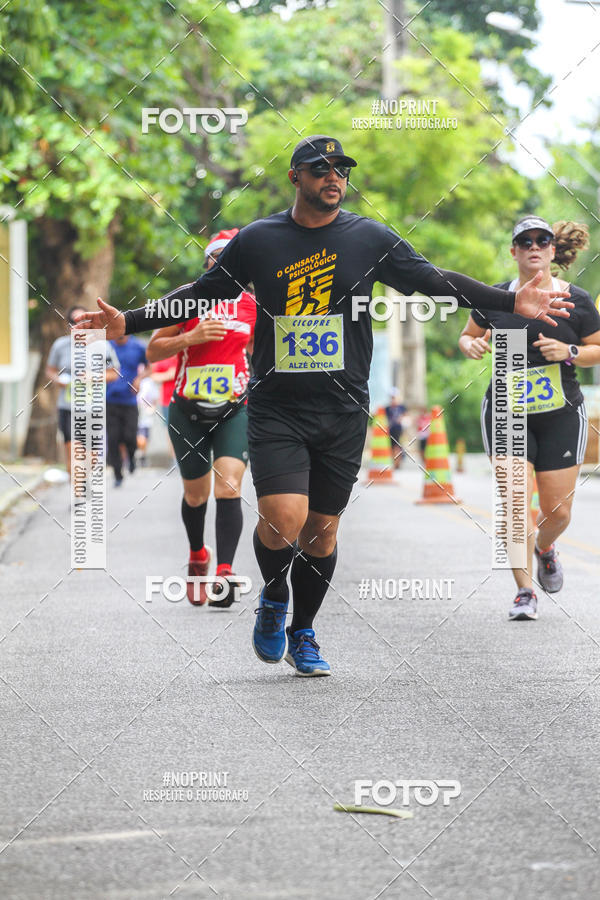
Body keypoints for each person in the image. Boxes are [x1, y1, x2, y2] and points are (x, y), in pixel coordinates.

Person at [76, 135, 573, 677]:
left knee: (322, 530)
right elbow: (207, 288)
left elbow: (433, 281)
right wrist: (132, 319)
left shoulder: (368, 237)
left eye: (340, 168)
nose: (333, 176)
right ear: (296, 177)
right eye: (320, 168)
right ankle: (272, 596)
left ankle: (303, 629)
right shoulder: (260, 239)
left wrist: (507, 300)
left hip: (341, 409)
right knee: (282, 519)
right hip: (277, 406)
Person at [459, 216, 600, 620]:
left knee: (558, 513)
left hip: (560, 414)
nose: (534, 246)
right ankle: (524, 592)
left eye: (542, 240)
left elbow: (597, 348)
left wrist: (570, 352)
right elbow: (468, 334)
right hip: (506, 411)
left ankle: (545, 549)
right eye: (525, 241)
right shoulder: (496, 297)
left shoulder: (578, 300)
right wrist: (470, 344)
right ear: (514, 251)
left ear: (553, 251)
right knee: (515, 503)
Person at [146, 229, 256, 608]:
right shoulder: (188, 298)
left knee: (229, 485)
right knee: (196, 494)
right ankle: (198, 556)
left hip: (234, 408)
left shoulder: (253, 306)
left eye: (232, 258)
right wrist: (189, 339)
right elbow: (153, 350)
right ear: (208, 263)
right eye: (217, 258)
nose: (224, 264)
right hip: (187, 409)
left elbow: (261, 353)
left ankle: (224, 571)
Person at [46, 305, 119, 477]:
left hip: (93, 407)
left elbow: (114, 373)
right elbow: (50, 370)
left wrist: (93, 376)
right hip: (68, 406)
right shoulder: (60, 345)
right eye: (73, 322)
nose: (77, 326)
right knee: (73, 451)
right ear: (68, 324)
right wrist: (59, 380)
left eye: (82, 321)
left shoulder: (103, 345)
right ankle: (78, 497)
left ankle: (87, 485)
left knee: (90, 456)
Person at [106, 334, 149, 486]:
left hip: (129, 400)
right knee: (113, 438)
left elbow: (150, 367)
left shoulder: (138, 346)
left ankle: (131, 458)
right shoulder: (107, 346)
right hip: (109, 400)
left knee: (130, 436)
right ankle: (118, 475)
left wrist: (139, 379)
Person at [136, 374, 159, 466]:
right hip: (134, 411)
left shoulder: (149, 382)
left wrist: (152, 408)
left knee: (144, 437)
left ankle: (142, 455)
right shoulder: (131, 378)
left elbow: (155, 397)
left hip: (145, 414)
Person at [385, 390, 407, 469]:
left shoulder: (401, 407)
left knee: (397, 446)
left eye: (394, 397)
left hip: (398, 429)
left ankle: (397, 463)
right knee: (392, 447)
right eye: (392, 397)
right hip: (390, 429)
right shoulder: (387, 408)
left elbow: (406, 416)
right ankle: (395, 463)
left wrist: (401, 419)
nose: (393, 399)